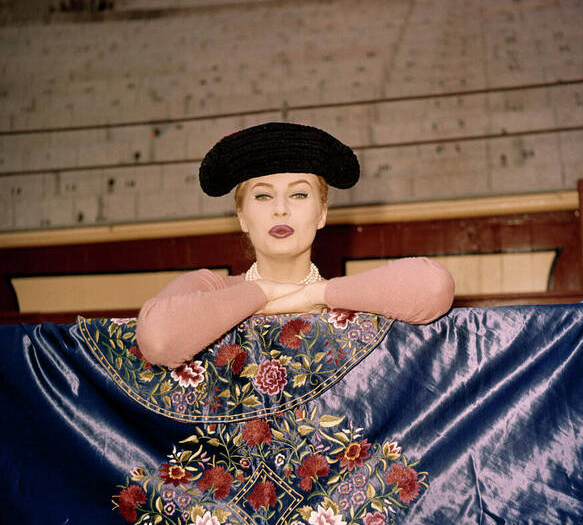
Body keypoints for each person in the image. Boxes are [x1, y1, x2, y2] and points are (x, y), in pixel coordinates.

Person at [136, 122, 454, 368]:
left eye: (299, 194)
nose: (280, 209)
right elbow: (158, 340)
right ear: (242, 216)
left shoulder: (353, 297)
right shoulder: (211, 288)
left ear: (322, 213)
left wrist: (312, 295)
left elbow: (434, 285)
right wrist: (265, 292)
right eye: (263, 196)